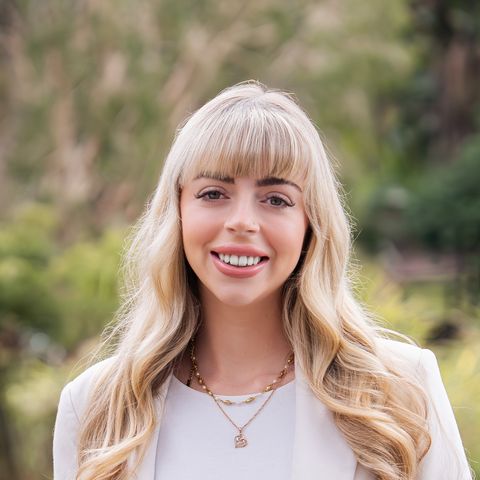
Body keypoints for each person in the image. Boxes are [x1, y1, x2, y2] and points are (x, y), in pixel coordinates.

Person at [53, 81, 472, 480]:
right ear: (177, 211)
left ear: (311, 224)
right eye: (213, 193)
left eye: (276, 199)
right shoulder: (94, 405)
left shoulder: (402, 389)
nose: (242, 222)